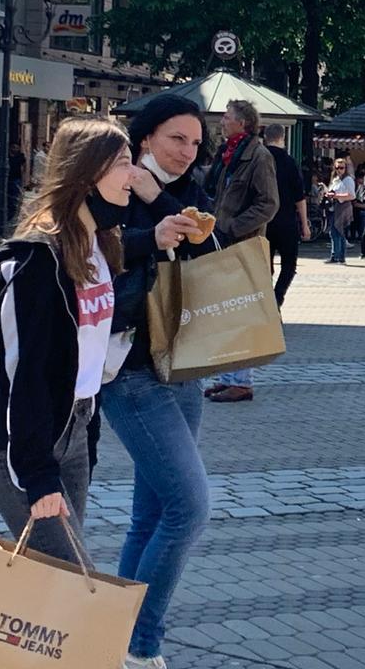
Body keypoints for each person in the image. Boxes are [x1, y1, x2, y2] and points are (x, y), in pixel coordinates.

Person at [0, 116, 132, 575]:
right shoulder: (39, 260)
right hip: (26, 439)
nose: (133, 175)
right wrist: (38, 474)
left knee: (58, 582)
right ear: (88, 173)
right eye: (123, 163)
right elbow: (25, 373)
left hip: (76, 426)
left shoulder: (100, 245)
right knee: (68, 577)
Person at [105, 97, 213, 669]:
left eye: (196, 142)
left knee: (150, 517)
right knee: (189, 509)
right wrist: (153, 232)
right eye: (177, 139)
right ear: (146, 138)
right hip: (129, 369)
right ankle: (140, 648)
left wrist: (161, 201)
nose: (188, 151)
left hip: (182, 365)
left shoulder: (189, 193)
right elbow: (91, 253)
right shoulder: (112, 179)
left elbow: (217, 254)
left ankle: (114, 640)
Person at [204, 99, 278, 404]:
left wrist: (233, 226)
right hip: (222, 243)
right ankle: (229, 378)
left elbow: (269, 204)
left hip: (242, 245)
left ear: (243, 123)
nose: (222, 121)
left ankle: (242, 382)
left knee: (241, 315)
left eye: (227, 117)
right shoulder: (229, 154)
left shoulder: (258, 156)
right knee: (226, 314)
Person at [263, 123, 308, 306]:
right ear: (283, 138)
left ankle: (266, 299)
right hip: (286, 221)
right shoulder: (289, 162)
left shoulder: (258, 159)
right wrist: (304, 224)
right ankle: (277, 297)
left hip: (263, 221)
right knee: (289, 265)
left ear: (265, 137)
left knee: (265, 265)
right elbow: (299, 196)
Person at [323, 159, 356, 264]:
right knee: (333, 233)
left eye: (341, 168)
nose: (339, 170)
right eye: (337, 168)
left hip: (343, 207)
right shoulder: (336, 179)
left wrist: (335, 196)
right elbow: (332, 191)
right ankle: (335, 256)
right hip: (334, 207)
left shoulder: (348, 180)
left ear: (345, 168)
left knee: (339, 232)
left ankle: (339, 257)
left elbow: (352, 195)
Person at [7, 141, 27, 225]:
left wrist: (23, 180)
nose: (14, 149)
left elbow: (23, 167)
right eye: (13, 147)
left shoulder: (20, 157)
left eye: (16, 148)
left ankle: (12, 216)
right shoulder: (6, 156)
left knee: (15, 199)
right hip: (7, 179)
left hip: (16, 179)